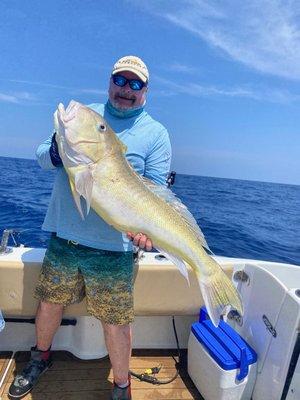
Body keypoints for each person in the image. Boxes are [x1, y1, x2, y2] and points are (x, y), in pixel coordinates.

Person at [8, 56, 171, 400]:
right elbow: (41, 154)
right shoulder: (87, 115)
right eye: (121, 81)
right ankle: (40, 358)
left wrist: (147, 232)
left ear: (146, 91)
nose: (126, 90)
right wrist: (55, 150)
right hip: (66, 236)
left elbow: (156, 191)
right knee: (50, 304)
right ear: (110, 82)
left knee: (116, 322)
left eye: (135, 84)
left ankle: (122, 385)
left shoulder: (156, 134)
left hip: (115, 250)